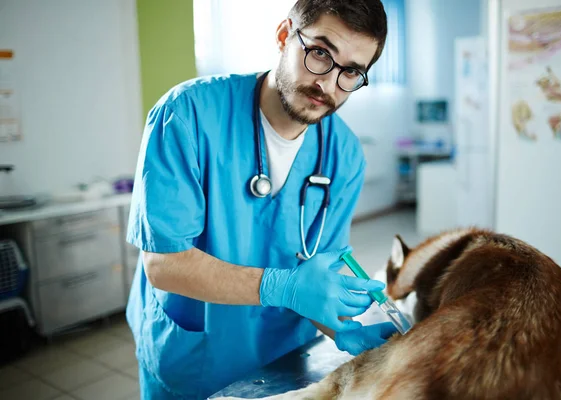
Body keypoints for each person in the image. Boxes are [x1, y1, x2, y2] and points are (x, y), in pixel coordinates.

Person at [125, 1, 395, 398]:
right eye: (320, 53)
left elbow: (324, 268)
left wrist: (347, 322)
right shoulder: (186, 116)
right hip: (193, 359)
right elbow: (165, 265)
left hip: (283, 359)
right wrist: (282, 287)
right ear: (285, 35)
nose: (329, 85)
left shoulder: (344, 154)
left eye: (351, 72)